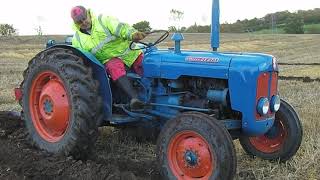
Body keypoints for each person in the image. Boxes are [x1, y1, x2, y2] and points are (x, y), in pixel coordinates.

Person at [70, 6, 147, 110]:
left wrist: (132, 34)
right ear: (75, 23)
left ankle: (150, 95)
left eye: (84, 18)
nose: (83, 22)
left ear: (88, 14)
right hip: (110, 60)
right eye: (79, 22)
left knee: (148, 65)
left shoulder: (103, 21)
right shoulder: (77, 40)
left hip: (130, 53)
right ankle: (135, 99)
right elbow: (80, 59)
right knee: (113, 66)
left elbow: (120, 28)